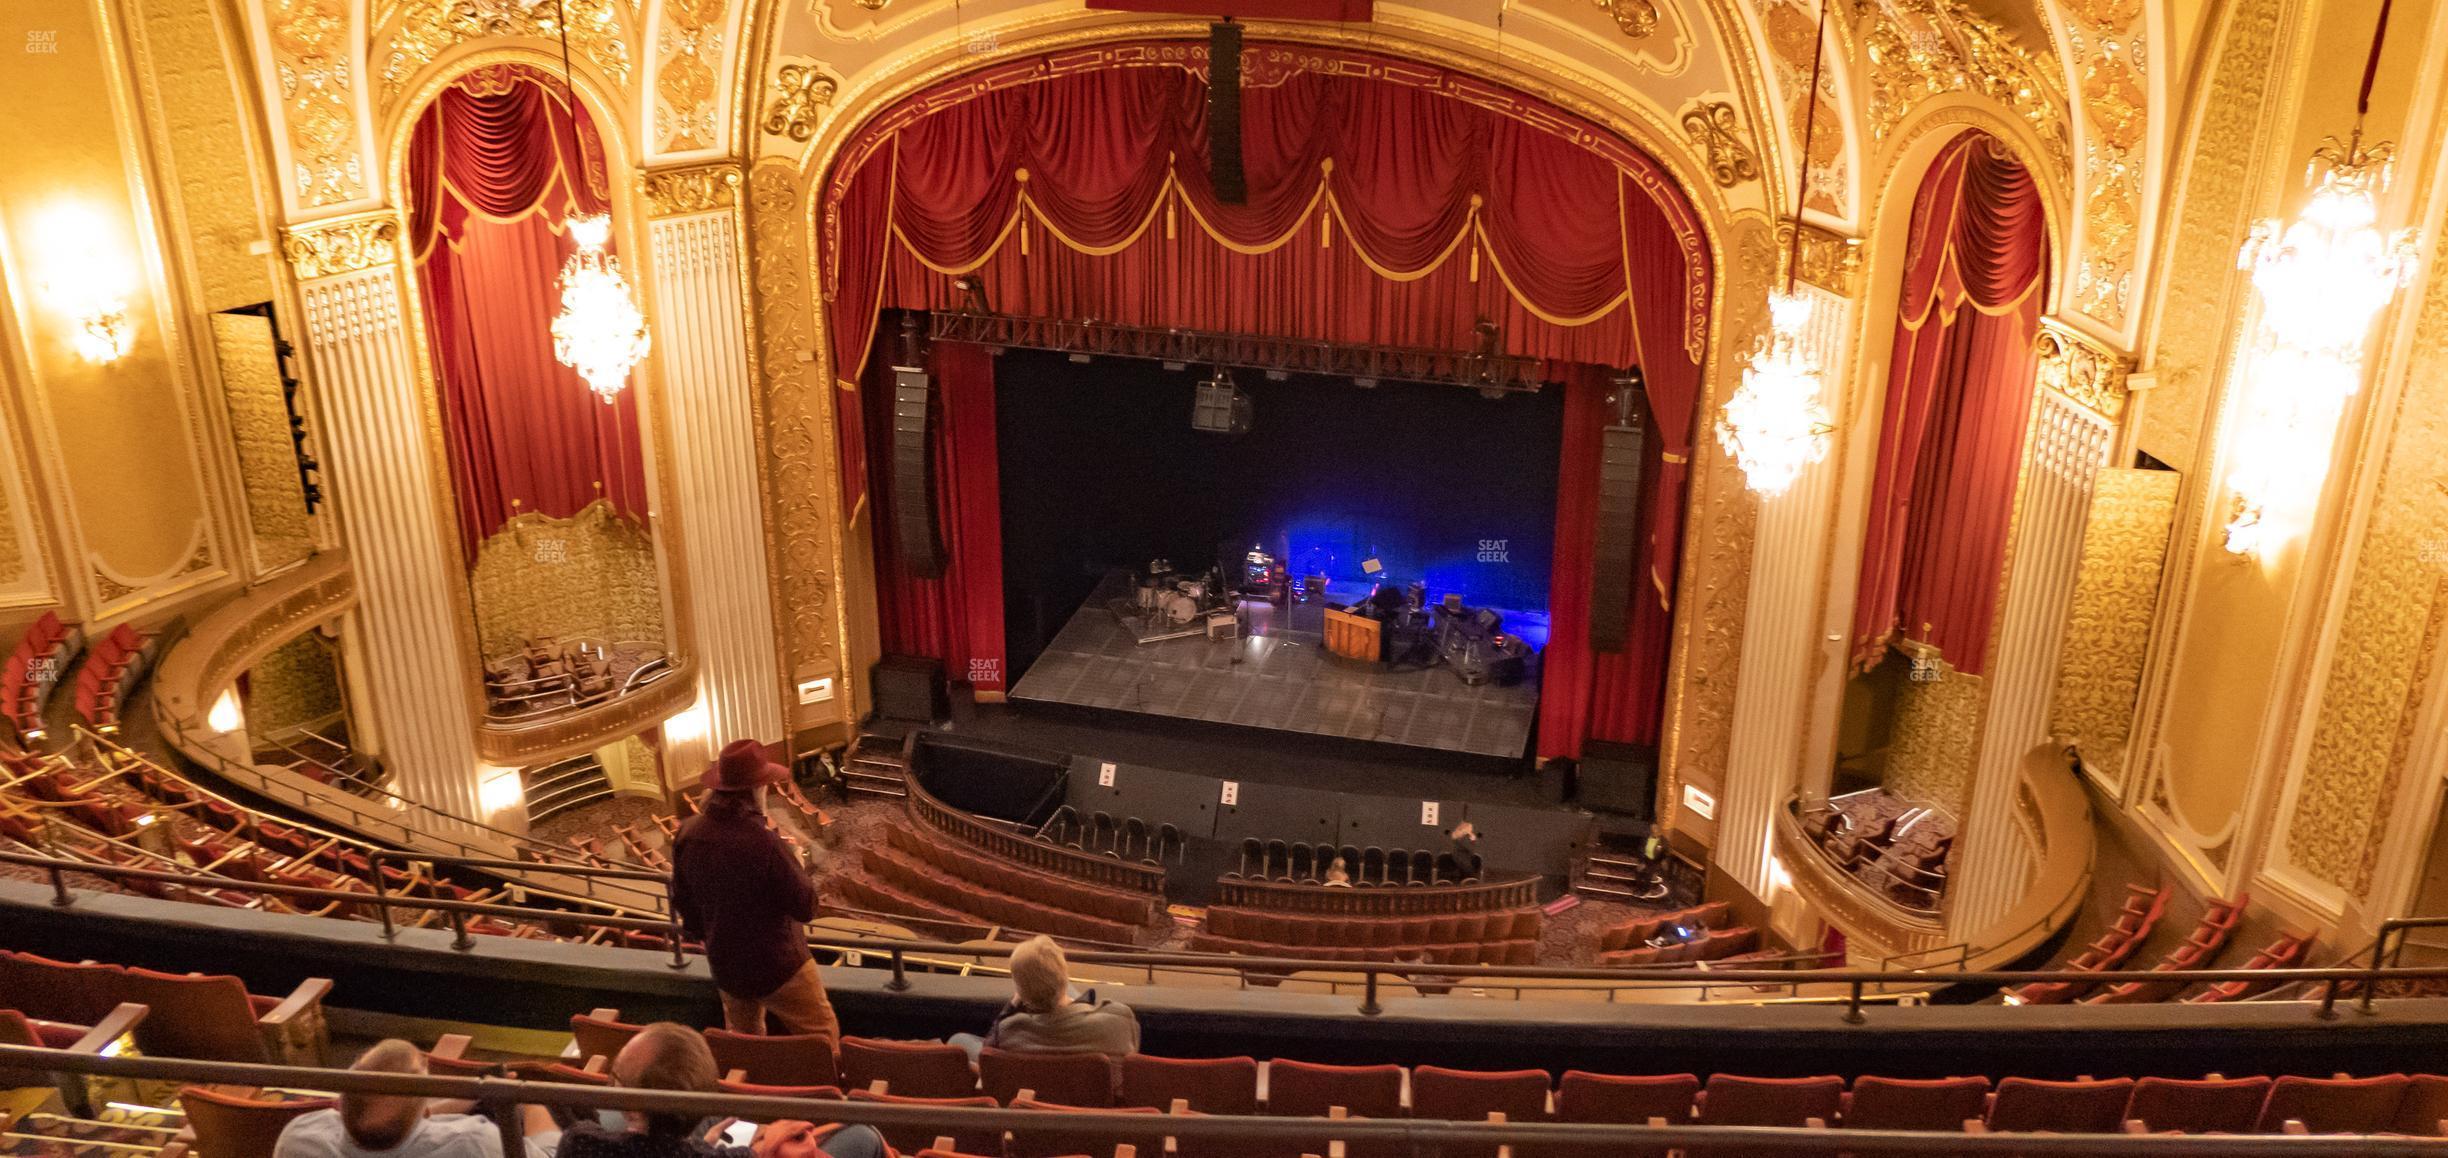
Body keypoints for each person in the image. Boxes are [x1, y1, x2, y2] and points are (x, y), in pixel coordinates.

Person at [672, 739, 838, 1040]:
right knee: (822, 1037)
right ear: (757, 790)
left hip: (726, 964)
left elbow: (684, 902)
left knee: (744, 1040)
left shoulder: (687, 832)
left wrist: (710, 935)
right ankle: (827, 1086)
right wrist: (796, 863)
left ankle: (748, 1084)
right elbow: (806, 907)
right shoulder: (766, 844)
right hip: (781, 966)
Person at [549, 1023, 884, 1158]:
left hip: (686, 1143)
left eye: (618, 1079)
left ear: (634, 1107)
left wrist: (698, 1146)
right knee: (863, 1133)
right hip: (695, 1142)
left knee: (722, 1126)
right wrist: (766, 1144)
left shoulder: (583, 1145)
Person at [274, 1039, 553, 1158]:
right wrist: (528, 1097)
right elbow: (552, 1153)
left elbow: (402, 1126)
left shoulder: (299, 1138)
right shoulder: (474, 1143)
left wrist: (470, 1096)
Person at [952, 936, 1139, 1059]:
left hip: (1034, 1104)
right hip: (1094, 1113)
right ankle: (1070, 999)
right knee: (1070, 995)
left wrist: (1010, 1006)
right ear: (1064, 974)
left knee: (958, 1040)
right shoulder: (1119, 1018)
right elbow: (1132, 1052)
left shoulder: (1009, 1031)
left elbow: (988, 1051)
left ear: (1022, 993)